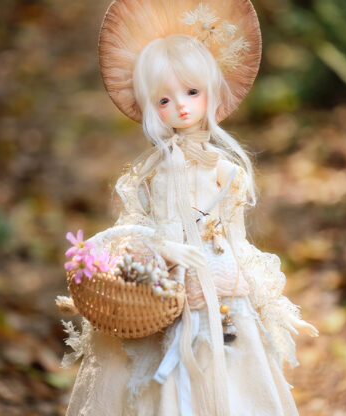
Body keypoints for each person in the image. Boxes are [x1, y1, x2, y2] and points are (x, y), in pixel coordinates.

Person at [59, 1, 318, 415]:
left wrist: (256, 290)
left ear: (210, 92)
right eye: (164, 99)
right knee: (155, 358)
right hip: (165, 282)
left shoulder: (224, 170)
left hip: (218, 278)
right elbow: (138, 225)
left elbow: (234, 235)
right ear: (150, 107)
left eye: (192, 92)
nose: (180, 105)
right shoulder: (151, 173)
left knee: (231, 355)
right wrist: (160, 249)